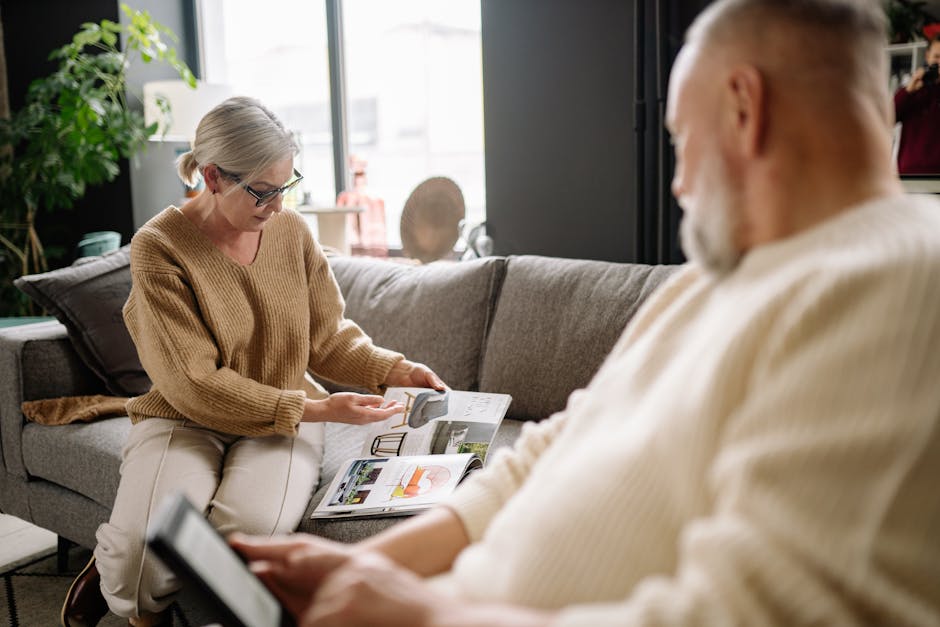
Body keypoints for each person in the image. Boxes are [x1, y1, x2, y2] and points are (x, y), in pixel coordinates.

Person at [232, 1, 940, 625]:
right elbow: (551, 447)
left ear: (744, 107)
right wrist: (363, 566)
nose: (681, 181)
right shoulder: (713, 283)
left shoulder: (900, 282)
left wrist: (425, 615)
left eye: (683, 141)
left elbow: (754, 613)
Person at [60, 96, 445, 627]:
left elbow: (326, 336)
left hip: (280, 426)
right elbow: (196, 383)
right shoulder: (159, 247)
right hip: (187, 415)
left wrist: (395, 370)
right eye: (263, 192)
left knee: (240, 553)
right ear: (213, 177)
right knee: (137, 567)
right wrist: (320, 410)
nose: (279, 207)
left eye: (286, 187)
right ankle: (125, 595)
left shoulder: (291, 232)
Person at [894, 34, 940, 174]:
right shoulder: (911, 89)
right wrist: (908, 90)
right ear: (927, 57)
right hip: (910, 173)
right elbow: (886, 119)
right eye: (937, 57)